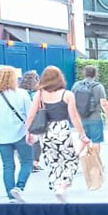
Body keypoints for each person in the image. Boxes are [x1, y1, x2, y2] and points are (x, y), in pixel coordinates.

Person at [23, 66, 89, 202]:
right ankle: (63, 186)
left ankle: (57, 185)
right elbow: (74, 116)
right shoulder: (67, 95)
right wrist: (82, 134)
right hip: (62, 129)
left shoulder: (39, 94)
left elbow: (30, 115)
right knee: (70, 159)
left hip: (45, 131)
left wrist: (28, 131)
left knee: (53, 161)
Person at [0, 66, 34, 202]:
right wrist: (30, 131)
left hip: (1, 136)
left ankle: (10, 194)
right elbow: (30, 115)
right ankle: (19, 187)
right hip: (21, 133)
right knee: (27, 161)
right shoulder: (22, 93)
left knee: (8, 165)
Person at [72, 64, 108, 149]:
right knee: (96, 141)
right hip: (95, 117)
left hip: (81, 118)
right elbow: (103, 103)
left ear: (84, 73)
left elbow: (72, 103)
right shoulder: (99, 87)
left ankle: (79, 157)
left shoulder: (76, 86)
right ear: (95, 74)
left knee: (83, 140)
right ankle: (95, 160)